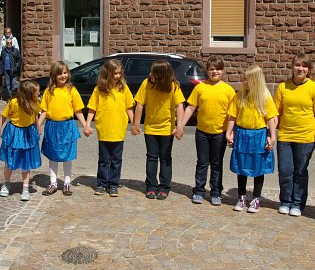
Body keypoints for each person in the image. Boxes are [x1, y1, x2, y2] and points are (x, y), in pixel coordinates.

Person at [273, 54, 315, 216]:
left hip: (306, 138)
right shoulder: (283, 87)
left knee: (300, 172)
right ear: (292, 67)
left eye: (304, 66)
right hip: (285, 137)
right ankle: (285, 201)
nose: (300, 69)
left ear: (308, 69)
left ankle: (297, 203)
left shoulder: (314, 88)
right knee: (285, 170)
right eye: (297, 65)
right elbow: (275, 114)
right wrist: (271, 134)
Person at [180, 57, 236, 206]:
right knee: (202, 162)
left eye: (218, 69)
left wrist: (232, 132)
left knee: (216, 164)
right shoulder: (200, 88)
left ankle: (216, 192)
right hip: (202, 132)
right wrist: (181, 125)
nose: (214, 72)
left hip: (220, 133)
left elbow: (233, 114)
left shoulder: (228, 90)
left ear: (222, 71)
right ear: (207, 71)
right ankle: (199, 191)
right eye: (211, 69)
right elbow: (190, 108)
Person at [225, 65, 278, 213]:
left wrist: (272, 136)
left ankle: (256, 198)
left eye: (248, 80)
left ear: (256, 81)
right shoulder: (239, 96)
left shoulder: (265, 97)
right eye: (244, 79)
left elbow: (271, 118)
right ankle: (241, 197)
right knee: (241, 167)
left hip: (259, 135)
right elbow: (232, 116)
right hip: (242, 134)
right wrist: (229, 132)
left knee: (258, 168)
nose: (245, 82)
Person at [131, 60, 185, 200]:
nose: (150, 74)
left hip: (167, 129)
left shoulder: (173, 86)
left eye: (153, 72)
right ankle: (151, 186)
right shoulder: (146, 83)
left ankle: (164, 186)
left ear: (161, 75)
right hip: (150, 128)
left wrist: (180, 127)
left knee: (165, 158)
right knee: (152, 157)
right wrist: (136, 124)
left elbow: (179, 106)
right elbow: (139, 104)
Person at [85, 59, 135, 197]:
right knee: (103, 160)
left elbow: (129, 108)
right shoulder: (99, 89)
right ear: (107, 73)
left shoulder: (123, 88)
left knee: (116, 160)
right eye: (115, 73)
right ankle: (101, 184)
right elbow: (92, 108)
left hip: (119, 130)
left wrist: (134, 124)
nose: (117, 76)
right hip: (104, 130)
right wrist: (87, 124)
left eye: (119, 73)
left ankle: (113, 184)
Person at [38, 61, 88, 196]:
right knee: (52, 156)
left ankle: (67, 182)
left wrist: (85, 125)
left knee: (67, 156)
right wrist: (38, 125)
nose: (63, 76)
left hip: (67, 126)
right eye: (59, 73)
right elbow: (44, 111)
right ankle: (53, 183)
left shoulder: (72, 90)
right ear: (54, 75)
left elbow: (78, 110)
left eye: (65, 73)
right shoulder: (49, 91)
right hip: (52, 126)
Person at [0, 80, 42, 201]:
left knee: (26, 162)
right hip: (14, 132)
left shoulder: (35, 102)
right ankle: (6, 183)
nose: (39, 94)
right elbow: (4, 116)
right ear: (29, 94)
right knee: (9, 160)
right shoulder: (13, 103)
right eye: (37, 92)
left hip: (28, 132)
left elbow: (35, 115)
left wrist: (38, 126)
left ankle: (25, 188)